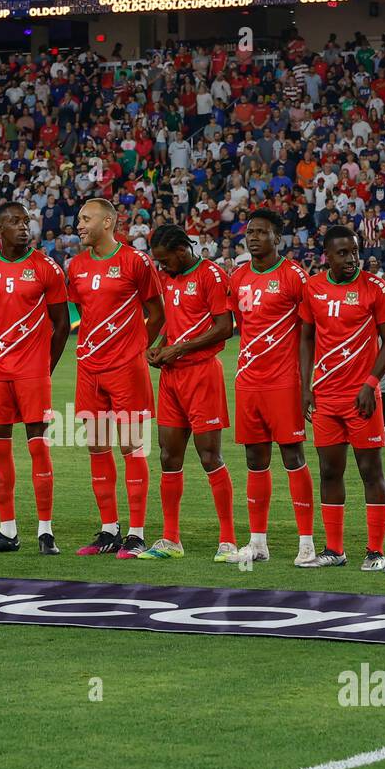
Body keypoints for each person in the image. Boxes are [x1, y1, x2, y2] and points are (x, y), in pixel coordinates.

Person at [67, 197, 164, 559]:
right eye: (79, 218)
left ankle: (136, 533)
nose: (79, 225)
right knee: (97, 446)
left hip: (126, 369)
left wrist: (137, 348)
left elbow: (157, 312)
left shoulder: (135, 261)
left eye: (86, 218)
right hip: (89, 368)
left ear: (108, 222)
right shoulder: (75, 265)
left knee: (132, 447)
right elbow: (84, 311)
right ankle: (109, 530)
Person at [0, 201, 70, 555]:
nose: (23, 227)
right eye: (14, 221)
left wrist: (45, 366)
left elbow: (62, 324)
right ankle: (7, 531)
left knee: (38, 447)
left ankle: (46, 531)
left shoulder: (47, 267)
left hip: (32, 372)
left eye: (26, 221)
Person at [223, 208, 317, 567]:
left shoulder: (295, 276)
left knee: (293, 457)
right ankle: (258, 542)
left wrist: (307, 384)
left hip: (284, 382)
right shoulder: (239, 277)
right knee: (254, 460)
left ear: (278, 238)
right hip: (248, 380)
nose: (254, 237)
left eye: (262, 232)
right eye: (250, 232)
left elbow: (309, 331)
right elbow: (241, 325)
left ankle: (306, 543)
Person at [299, 225, 385, 570]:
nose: (352, 259)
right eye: (343, 253)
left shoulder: (375, 287)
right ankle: (335, 550)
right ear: (327, 255)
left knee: (371, 472)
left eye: (355, 252)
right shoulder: (312, 288)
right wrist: (304, 387)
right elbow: (306, 338)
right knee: (329, 472)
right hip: (325, 397)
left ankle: (375, 550)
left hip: (361, 398)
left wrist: (371, 383)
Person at [140, 224, 236, 561]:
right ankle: (170, 539)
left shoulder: (211, 275)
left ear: (182, 251)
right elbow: (174, 322)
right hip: (171, 377)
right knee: (169, 456)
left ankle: (227, 540)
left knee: (209, 456)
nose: (162, 267)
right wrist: (159, 349)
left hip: (202, 374)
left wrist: (179, 348)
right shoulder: (167, 278)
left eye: (165, 261)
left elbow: (224, 327)